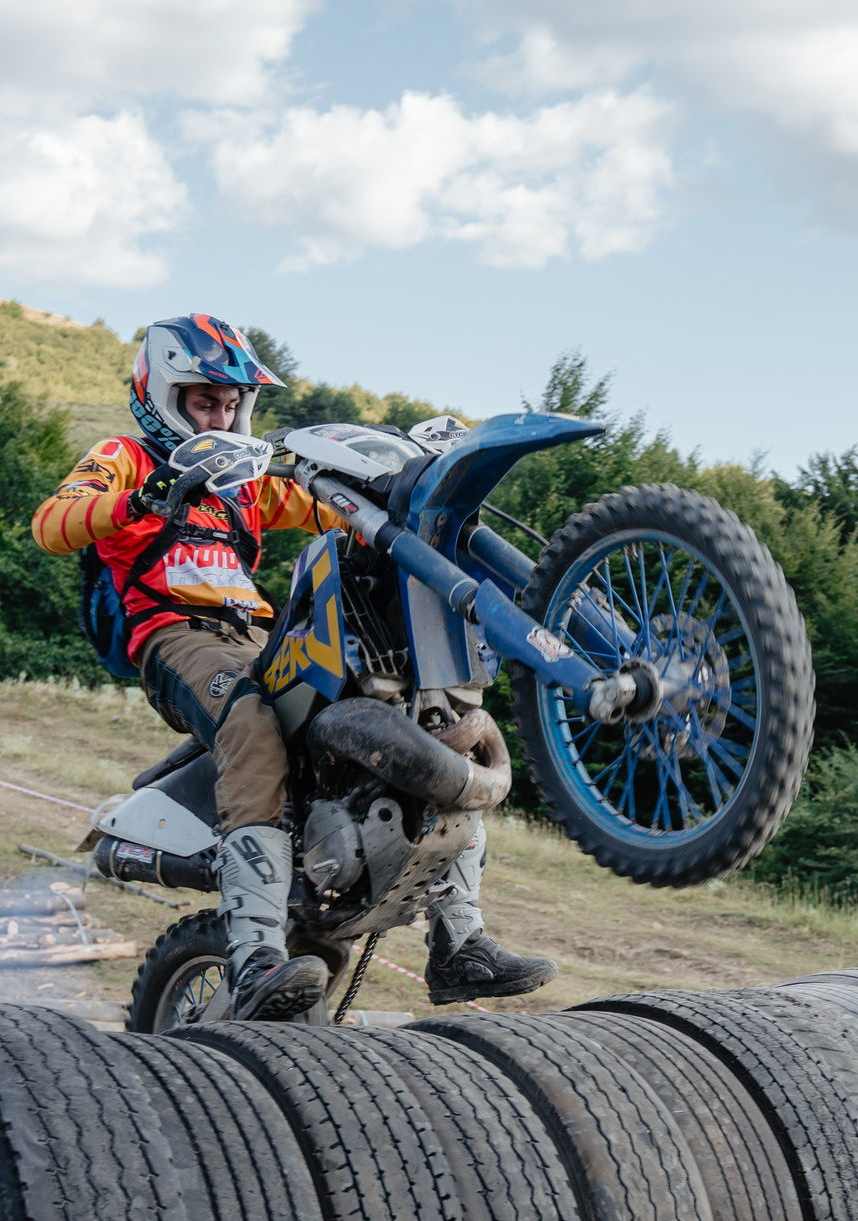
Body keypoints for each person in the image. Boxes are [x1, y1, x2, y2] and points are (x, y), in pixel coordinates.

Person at [32, 312, 556, 1019]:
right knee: (250, 721)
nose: (220, 414)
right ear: (162, 393)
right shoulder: (127, 456)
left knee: (422, 708)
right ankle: (252, 958)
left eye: (230, 403)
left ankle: (458, 942)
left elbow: (324, 505)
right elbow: (54, 521)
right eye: (203, 400)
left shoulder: (244, 481)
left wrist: (405, 478)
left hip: (259, 635)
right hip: (174, 634)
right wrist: (146, 496)